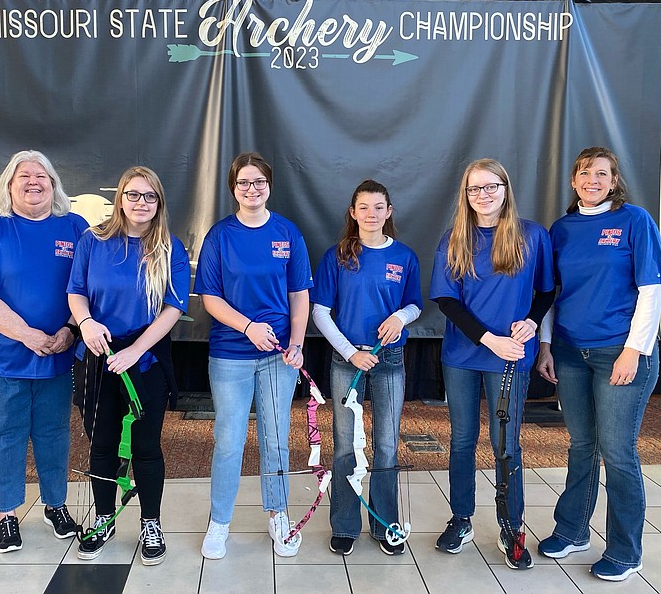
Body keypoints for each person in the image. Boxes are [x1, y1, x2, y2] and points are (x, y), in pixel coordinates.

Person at [535, 147, 661, 582]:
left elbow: (651, 289)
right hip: (571, 353)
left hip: (620, 353)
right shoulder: (562, 229)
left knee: (618, 452)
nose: (591, 180)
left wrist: (635, 350)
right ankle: (572, 530)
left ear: (614, 181)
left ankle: (626, 552)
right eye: (583, 173)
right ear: (573, 181)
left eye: (601, 173)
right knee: (581, 446)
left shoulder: (635, 221)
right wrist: (546, 345)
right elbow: (553, 295)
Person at [0, 150, 88, 553]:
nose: (34, 182)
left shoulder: (76, 228)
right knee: (6, 434)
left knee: (53, 433)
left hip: (58, 353)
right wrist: (28, 335)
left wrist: (69, 332)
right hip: (2, 358)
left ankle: (55, 505)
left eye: (42, 176)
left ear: (54, 185)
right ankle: (7, 514)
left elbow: (87, 287)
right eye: (24, 176)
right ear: (9, 186)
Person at [430, 158, 555, 570]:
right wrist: (490, 340)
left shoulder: (532, 235)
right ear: (465, 195)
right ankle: (461, 519)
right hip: (465, 357)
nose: (482, 195)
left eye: (490, 186)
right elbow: (447, 300)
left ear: (505, 187)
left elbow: (545, 291)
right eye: (474, 189)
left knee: (506, 444)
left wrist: (531, 323)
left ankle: (511, 526)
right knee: (463, 441)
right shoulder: (454, 238)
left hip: (511, 359)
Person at [67, 166, 190, 566]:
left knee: (145, 446)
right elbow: (76, 292)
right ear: (120, 198)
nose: (141, 203)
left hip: (146, 358)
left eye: (149, 196)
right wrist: (86, 324)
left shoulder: (169, 246)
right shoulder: (94, 240)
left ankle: (151, 522)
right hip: (98, 356)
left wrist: (136, 350)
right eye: (133, 195)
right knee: (102, 443)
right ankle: (104, 518)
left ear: (159, 202)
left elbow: (173, 308)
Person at [194, 152, 312, 560]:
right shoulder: (220, 236)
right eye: (244, 182)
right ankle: (220, 522)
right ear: (233, 188)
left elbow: (300, 295)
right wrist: (247, 327)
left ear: (269, 185)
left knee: (277, 441)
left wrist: (295, 343)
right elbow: (210, 297)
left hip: (279, 357)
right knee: (228, 441)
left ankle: (278, 515)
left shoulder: (287, 233)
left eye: (259, 181)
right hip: (231, 355)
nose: (252, 189)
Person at [311, 180, 422, 557]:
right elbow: (320, 312)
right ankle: (344, 525)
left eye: (379, 207)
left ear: (389, 212)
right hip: (349, 361)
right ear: (353, 212)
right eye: (364, 207)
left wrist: (400, 318)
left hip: (390, 360)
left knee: (386, 445)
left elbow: (415, 304)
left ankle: (386, 524)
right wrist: (350, 352)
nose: (371, 214)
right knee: (345, 446)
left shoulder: (404, 256)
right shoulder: (337, 256)